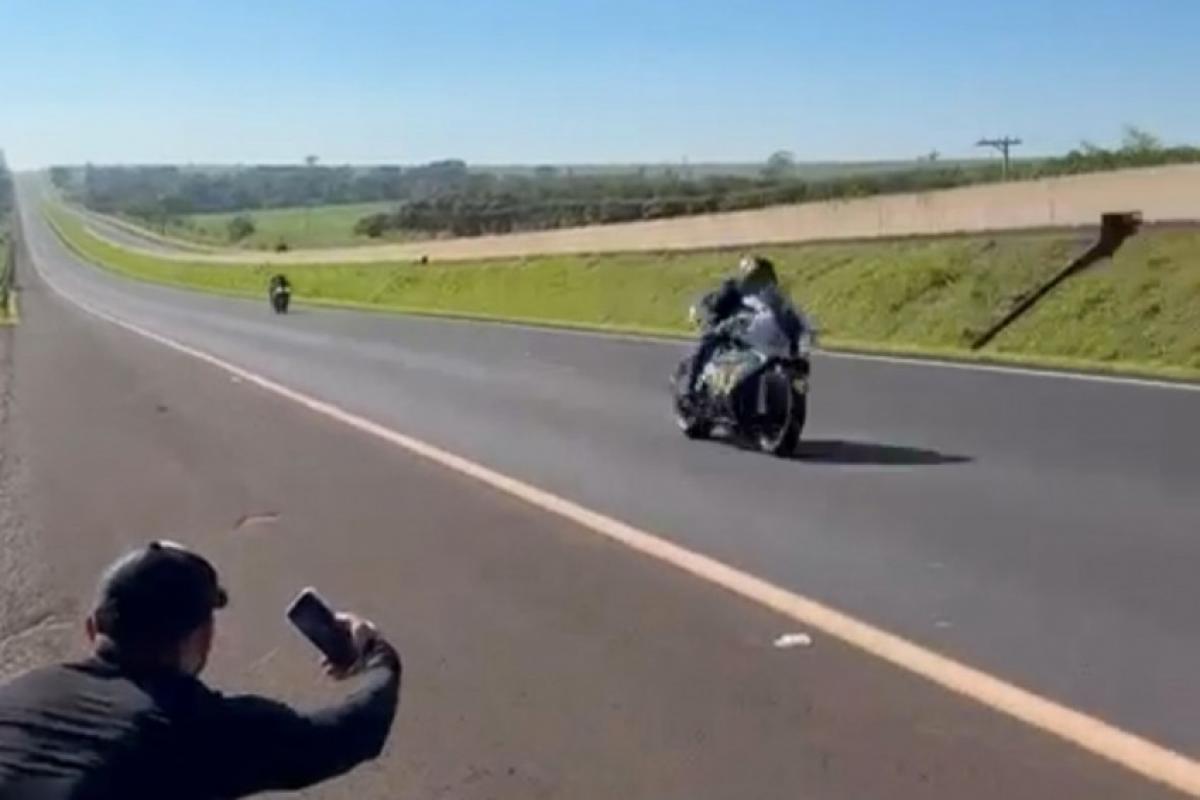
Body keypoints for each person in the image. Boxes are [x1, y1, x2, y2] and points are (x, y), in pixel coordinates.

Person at [0, 541, 401, 799]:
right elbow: (351, 733)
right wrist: (380, 658)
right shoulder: (188, 726)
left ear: (92, 628)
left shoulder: (19, 693)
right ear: (200, 639)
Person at [683, 255, 789, 400]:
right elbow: (717, 305)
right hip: (735, 330)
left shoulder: (770, 295)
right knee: (708, 343)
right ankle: (691, 390)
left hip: (752, 335)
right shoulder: (736, 287)